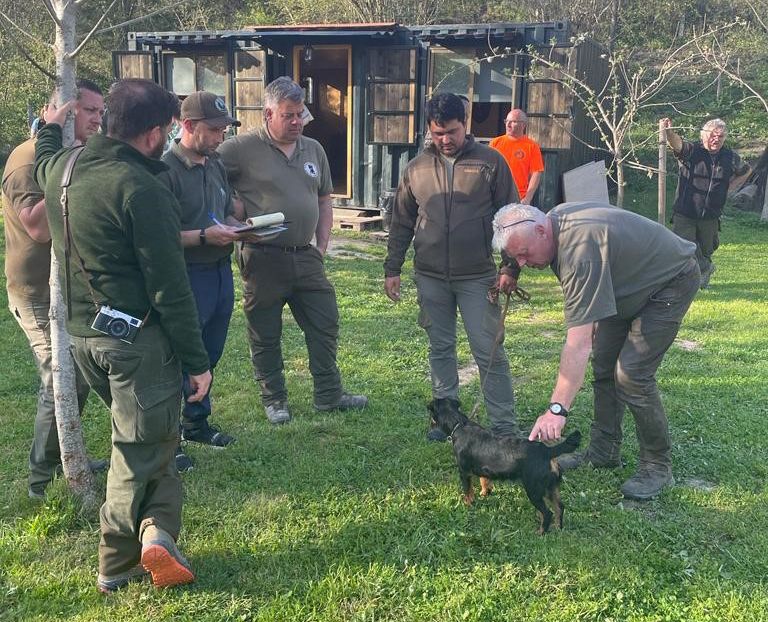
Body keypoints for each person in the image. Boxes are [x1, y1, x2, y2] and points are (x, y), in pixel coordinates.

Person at [35, 78, 212, 592]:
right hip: (139, 344)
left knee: (155, 437)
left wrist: (49, 126)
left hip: (84, 337)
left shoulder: (63, 170)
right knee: (136, 450)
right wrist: (198, 361)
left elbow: (45, 153)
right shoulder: (143, 188)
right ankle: (115, 562)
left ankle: (159, 535)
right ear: (157, 134)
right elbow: (170, 287)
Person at [492, 201, 700, 500]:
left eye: (524, 255)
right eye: (516, 258)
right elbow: (518, 242)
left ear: (541, 231)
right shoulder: (550, 223)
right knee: (604, 364)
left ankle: (657, 466)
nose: (523, 263)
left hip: (669, 281)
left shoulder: (580, 255)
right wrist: (511, 266)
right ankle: (604, 451)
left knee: (632, 375)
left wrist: (556, 409)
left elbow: (578, 342)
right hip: (624, 285)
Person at [217, 76, 367, 424]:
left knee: (325, 324)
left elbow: (323, 197)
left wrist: (322, 246)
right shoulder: (239, 148)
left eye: (301, 114)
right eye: (289, 115)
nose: (297, 121)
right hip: (263, 258)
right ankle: (275, 400)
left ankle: (329, 396)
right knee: (265, 331)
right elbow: (206, 177)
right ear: (268, 113)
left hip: (307, 256)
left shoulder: (312, 148)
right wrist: (230, 211)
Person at [384, 92, 521, 440]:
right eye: (438, 133)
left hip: (478, 276)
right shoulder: (415, 168)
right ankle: (446, 420)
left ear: (466, 124)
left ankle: (504, 427)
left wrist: (509, 268)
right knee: (440, 348)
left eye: (453, 132)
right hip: (430, 276)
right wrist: (393, 267)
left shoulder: (491, 162)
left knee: (488, 351)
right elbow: (401, 220)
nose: (445, 140)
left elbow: (512, 218)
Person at [2, 78, 108, 500]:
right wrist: (63, 167)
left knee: (79, 374)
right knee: (59, 379)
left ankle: (71, 453)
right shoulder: (27, 159)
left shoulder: (74, 154)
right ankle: (40, 481)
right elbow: (37, 225)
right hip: (35, 292)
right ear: (61, 112)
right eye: (89, 111)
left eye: (101, 111)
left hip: (70, 286)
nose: (98, 119)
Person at [158, 91, 244, 471]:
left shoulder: (216, 164)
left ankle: (197, 424)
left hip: (221, 272)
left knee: (210, 354)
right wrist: (207, 236)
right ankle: (167, 439)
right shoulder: (164, 171)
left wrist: (240, 225)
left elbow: (223, 210)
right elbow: (158, 235)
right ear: (187, 125)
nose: (220, 136)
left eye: (224, 129)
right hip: (185, 276)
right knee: (178, 360)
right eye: (214, 129)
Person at [662, 117, 750, 289]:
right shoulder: (692, 150)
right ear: (703, 135)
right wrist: (669, 133)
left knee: (706, 249)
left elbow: (747, 171)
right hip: (686, 210)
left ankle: (702, 279)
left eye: (721, 136)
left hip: (711, 212)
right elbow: (676, 144)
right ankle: (701, 271)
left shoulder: (729, 156)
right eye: (713, 135)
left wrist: (730, 188)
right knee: (685, 245)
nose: (716, 139)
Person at [489, 109, 544, 205]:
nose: (508, 124)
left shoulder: (532, 146)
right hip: (495, 197)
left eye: (513, 122)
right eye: (506, 121)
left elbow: (536, 173)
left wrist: (528, 198)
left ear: (523, 125)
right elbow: (487, 169)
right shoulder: (495, 143)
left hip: (519, 198)